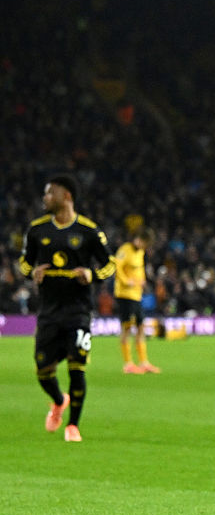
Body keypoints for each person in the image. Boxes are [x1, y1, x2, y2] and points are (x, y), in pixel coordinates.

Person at [17, 174, 116, 442]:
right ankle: (58, 400)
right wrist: (32, 272)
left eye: (50, 193)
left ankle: (73, 426)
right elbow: (24, 264)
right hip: (49, 312)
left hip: (78, 312)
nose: (45, 198)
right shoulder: (37, 230)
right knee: (43, 370)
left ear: (67, 196)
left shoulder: (88, 231)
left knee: (77, 367)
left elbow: (110, 264)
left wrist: (92, 275)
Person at [115, 227, 161, 373]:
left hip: (136, 295)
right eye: (145, 243)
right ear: (139, 239)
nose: (145, 247)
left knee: (141, 327)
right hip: (125, 295)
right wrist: (126, 281)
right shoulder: (125, 249)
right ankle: (128, 364)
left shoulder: (140, 252)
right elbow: (117, 268)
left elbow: (138, 270)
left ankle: (143, 362)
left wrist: (142, 281)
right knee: (127, 328)